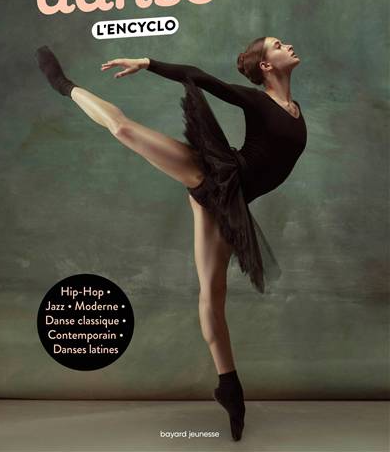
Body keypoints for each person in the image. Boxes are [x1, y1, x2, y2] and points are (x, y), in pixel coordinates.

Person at [35, 36, 307, 442]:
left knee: (213, 295)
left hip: (228, 203)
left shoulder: (296, 110)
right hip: (214, 174)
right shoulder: (257, 101)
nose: (288, 46)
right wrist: (147, 61)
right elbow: (200, 77)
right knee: (123, 128)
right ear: (266, 66)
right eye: (278, 45)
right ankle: (64, 85)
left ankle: (228, 387)